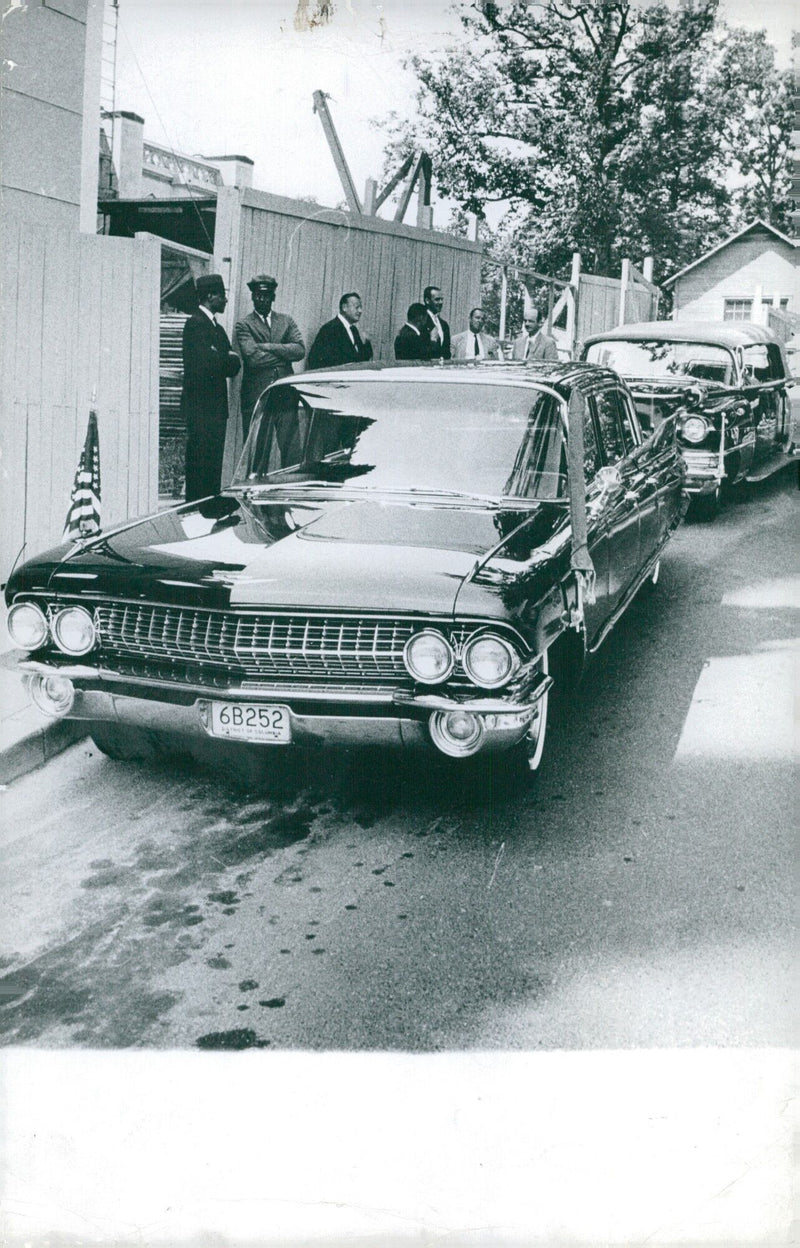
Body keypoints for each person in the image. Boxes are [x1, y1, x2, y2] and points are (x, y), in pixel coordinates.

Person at [181, 273, 241, 502]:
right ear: (210, 296)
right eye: (222, 295)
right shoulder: (195, 324)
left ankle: (209, 507)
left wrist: (225, 357)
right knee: (200, 465)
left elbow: (234, 365)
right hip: (200, 408)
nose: (225, 300)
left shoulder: (215, 327)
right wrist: (225, 358)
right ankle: (198, 509)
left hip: (215, 408)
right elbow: (208, 363)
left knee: (212, 465)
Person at [234, 274, 305, 438]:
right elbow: (253, 359)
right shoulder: (244, 324)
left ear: (273, 297)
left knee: (291, 448)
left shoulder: (286, 321)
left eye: (266, 296)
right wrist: (285, 355)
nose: (262, 300)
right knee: (256, 449)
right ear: (252, 297)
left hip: (285, 394)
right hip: (257, 395)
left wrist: (268, 347)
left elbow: (300, 350)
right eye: (258, 296)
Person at [307, 292, 373, 369]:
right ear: (344, 307)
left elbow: (361, 361)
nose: (360, 311)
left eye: (361, 307)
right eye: (357, 307)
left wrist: (367, 342)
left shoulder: (354, 330)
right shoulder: (330, 329)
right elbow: (314, 360)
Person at [422, 284, 451, 359]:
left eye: (442, 299)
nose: (441, 302)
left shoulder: (444, 325)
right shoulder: (421, 321)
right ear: (427, 301)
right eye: (437, 299)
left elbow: (446, 352)